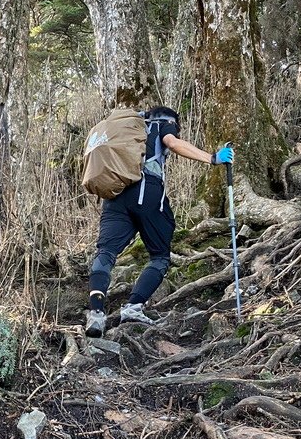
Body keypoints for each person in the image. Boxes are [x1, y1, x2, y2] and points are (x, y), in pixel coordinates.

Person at [85, 106, 233, 338]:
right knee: (160, 256)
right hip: (146, 191)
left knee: (106, 252)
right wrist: (212, 158)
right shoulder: (162, 123)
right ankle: (133, 308)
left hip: (114, 195)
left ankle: (96, 312)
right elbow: (172, 142)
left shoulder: (125, 129)